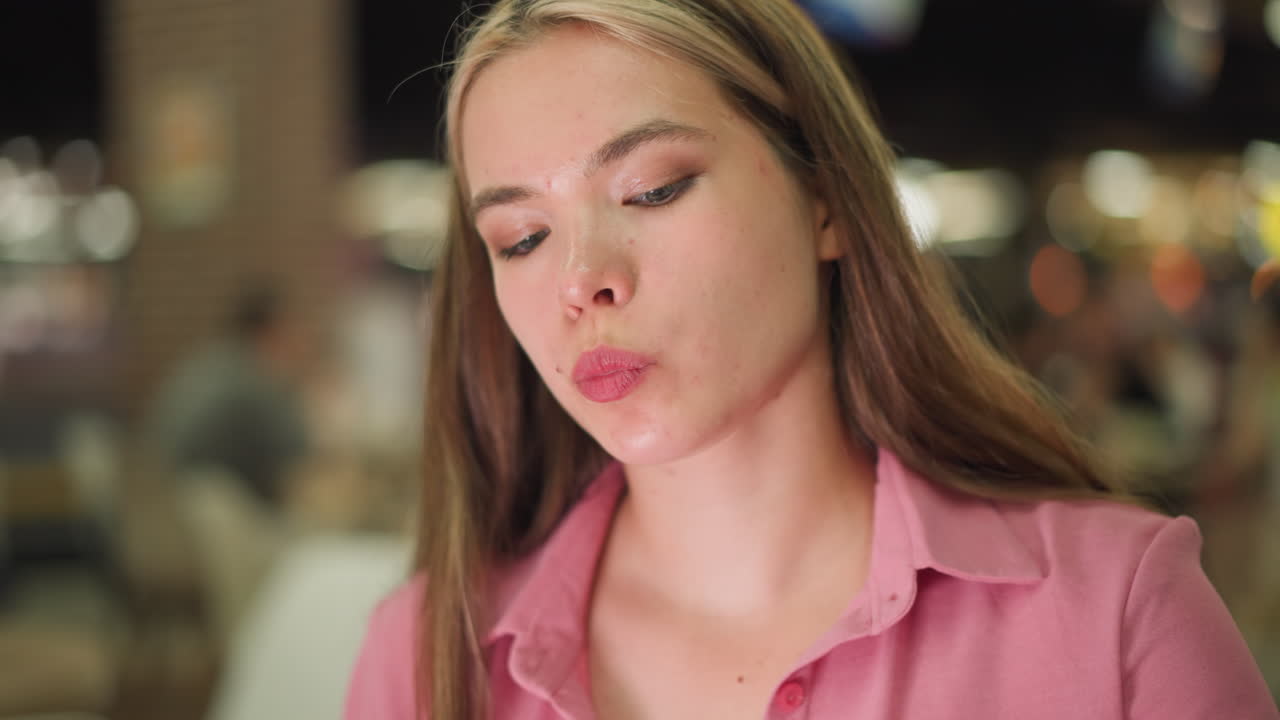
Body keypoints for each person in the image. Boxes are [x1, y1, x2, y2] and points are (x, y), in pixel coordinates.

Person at [346, 1, 1278, 718]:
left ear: (825, 199)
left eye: (652, 189)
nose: (581, 279)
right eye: (521, 239)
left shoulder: (1116, 613)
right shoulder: (427, 658)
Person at [144, 280, 309, 506]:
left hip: (171, 494)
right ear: (273, 329)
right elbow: (297, 452)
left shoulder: (210, 359)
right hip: (207, 501)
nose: (299, 337)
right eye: (293, 327)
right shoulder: (249, 377)